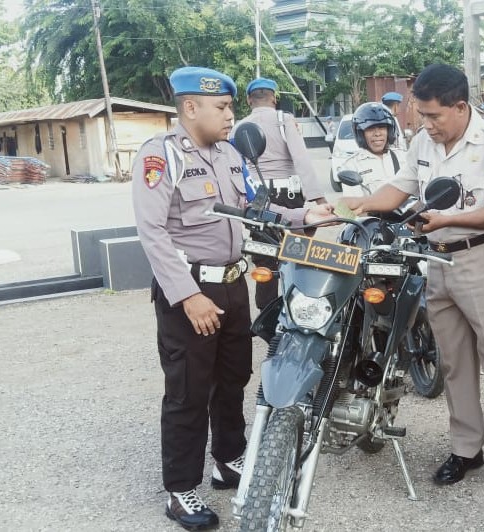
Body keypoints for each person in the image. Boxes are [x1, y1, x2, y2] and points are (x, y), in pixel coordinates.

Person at [132, 66, 332, 531]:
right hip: (192, 291)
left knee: (234, 377)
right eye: (222, 107)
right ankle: (180, 491)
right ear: (190, 107)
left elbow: (255, 207)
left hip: (233, 285)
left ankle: (227, 459)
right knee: (188, 391)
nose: (230, 116)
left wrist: (305, 214)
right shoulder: (161, 156)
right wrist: (187, 296)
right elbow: (152, 231)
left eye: (230, 107)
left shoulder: (229, 153)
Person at [343, 64, 484, 502]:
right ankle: (466, 449)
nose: (426, 123)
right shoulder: (424, 142)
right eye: (421, 114)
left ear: (460, 107)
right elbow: (397, 190)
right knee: (454, 362)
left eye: (433, 115)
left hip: (482, 261)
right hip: (437, 261)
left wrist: (450, 218)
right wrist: (356, 205)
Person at [239, 77, 330, 310]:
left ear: (249, 100)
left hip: (258, 198)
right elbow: (301, 159)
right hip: (289, 197)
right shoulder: (284, 119)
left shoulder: (240, 125)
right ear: (274, 98)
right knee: (297, 255)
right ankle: (298, 307)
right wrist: (318, 198)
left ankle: (267, 311)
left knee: (266, 256)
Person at [337, 102, 406, 196]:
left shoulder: (404, 158)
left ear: (389, 131)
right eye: (370, 128)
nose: (377, 134)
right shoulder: (352, 165)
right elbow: (354, 204)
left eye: (382, 128)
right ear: (361, 134)